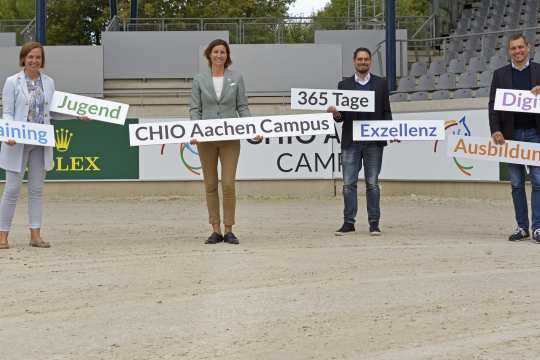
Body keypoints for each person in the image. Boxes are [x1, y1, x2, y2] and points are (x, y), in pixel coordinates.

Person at [0, 42, 88, 249]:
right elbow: (8, 112)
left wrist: (77, 115)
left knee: (36, 190)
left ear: (42, 60)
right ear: (23, 58)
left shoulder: (48, 82)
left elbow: (52, 111)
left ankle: (35, 235)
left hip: (41, 142)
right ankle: (3, 236)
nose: (34, 61)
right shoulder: (12, 82)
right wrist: (9, 133)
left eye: (38, 57)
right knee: (12, 190)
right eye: (30, 57)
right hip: (18, 142)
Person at [189, 39, 260, 245]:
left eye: (223, 52)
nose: (219, 55)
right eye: (216, 52)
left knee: (228, 184)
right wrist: (195, 129)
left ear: (227, 56)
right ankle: (215, 229)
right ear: (209, 55)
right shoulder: (199, 79)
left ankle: (229, 229)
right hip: (206, 140)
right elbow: (195, 109)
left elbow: (242, 106)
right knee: (210, 184)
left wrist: (252, 127)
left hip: (230, 139)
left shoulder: (236, 77)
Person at [327, 47, 393, 237]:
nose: (363, 62)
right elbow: (340, 118)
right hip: (351, 141)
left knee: (372, 183)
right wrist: (336, 114)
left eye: (366, 59)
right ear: (354, 61)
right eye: (360, 59)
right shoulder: (343, 85)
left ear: (370, 61)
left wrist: (392, 129)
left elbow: (386, 111)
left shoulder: (380, 83)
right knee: (349, 184)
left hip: (374, 141)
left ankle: (374, 224)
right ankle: (349, 223)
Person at [489, 33, 540, 243]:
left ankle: (538, 227)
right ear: (509, 51)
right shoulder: (500, 74)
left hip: (536, 134)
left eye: (520, 47)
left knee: (538, 182)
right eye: (513, 48)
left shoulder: (539, 70)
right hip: (510, 137)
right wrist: (495, 130)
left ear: (528, 48)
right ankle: (522, 227)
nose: (518, 51)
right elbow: (493, 106)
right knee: (517, 184)